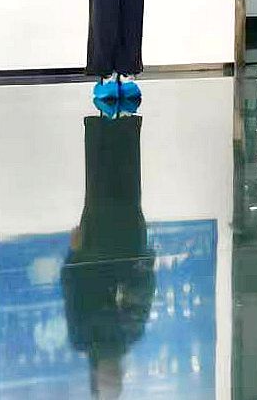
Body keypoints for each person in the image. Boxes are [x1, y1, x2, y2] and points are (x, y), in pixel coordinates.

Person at [65, 109, 155, 398]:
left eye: (107, 381)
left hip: (95, 246)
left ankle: (103, 126)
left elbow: (71, 291)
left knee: (98, 183)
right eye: (116, 381)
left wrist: (73, 253)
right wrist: (145, 264)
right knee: (126, 180)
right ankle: (123, 124)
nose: (112, 375)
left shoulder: (81, 338)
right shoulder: (131, 334)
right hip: (127, 240)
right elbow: (144, 290)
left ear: (95, 378)